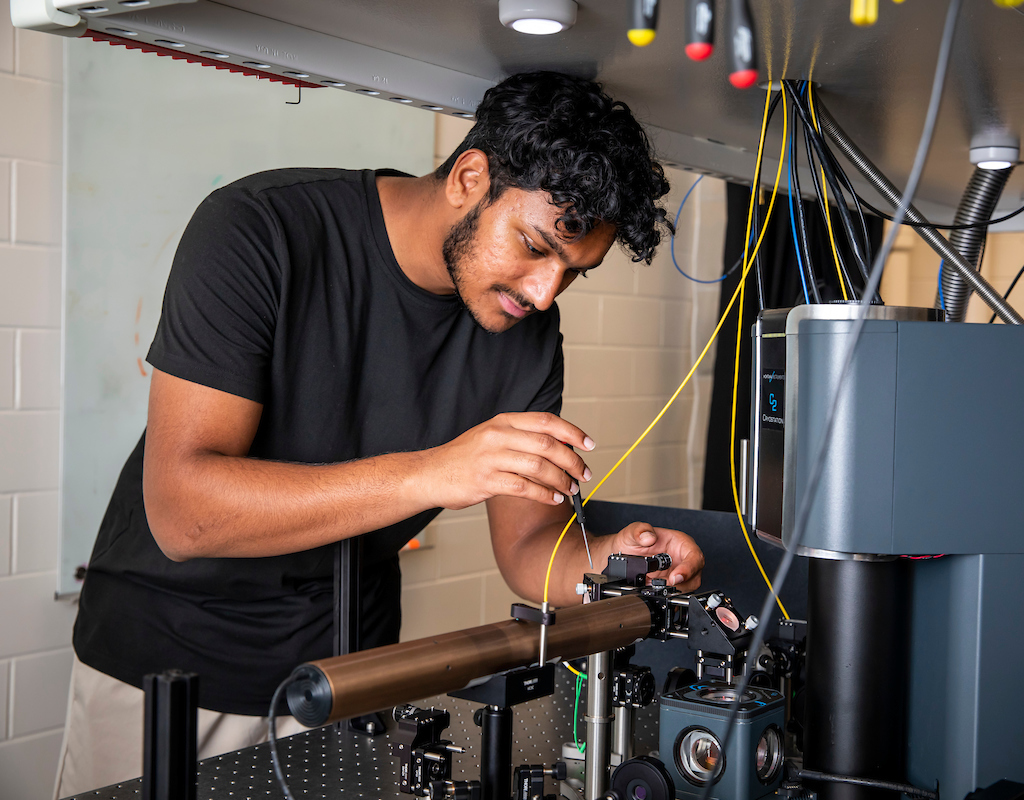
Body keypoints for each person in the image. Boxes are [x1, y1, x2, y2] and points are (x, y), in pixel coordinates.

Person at [55, 71, 705, 797]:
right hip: (166, 670)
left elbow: (529, 551)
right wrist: (434, 472)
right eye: (531, 244)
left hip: (352, 681)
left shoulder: (524, 332)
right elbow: (184, 511)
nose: (543, 291)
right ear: (468, 176)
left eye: (572, 272)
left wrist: (613, 562)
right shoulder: (259, 228)